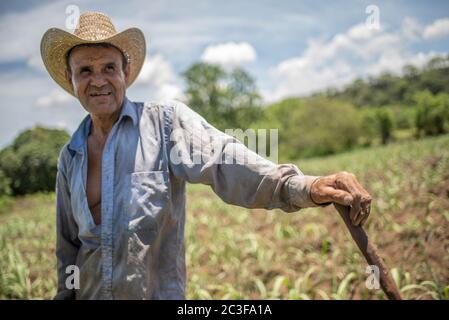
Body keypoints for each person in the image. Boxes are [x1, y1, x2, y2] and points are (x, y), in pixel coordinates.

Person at [41, 11, 372, 300]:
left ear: (125, 73)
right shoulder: (71, 156)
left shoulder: (164, 123)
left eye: (108, 67)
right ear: (71, 81)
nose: (98, 80)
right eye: (85, 70)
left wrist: (304, 186)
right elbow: (68, 246)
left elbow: (224, 161)